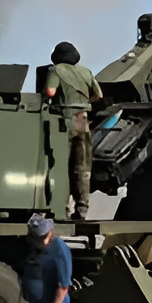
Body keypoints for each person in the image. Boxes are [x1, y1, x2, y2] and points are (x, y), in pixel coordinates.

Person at [44, 41, 102, 220]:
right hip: (83, 120)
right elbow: (98, 95)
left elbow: (50, 92)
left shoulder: (56, 70)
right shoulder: (86, 72)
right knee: (82, 167)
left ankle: (61, 209)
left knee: (60, 165)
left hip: (63, 121)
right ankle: (82, 209)